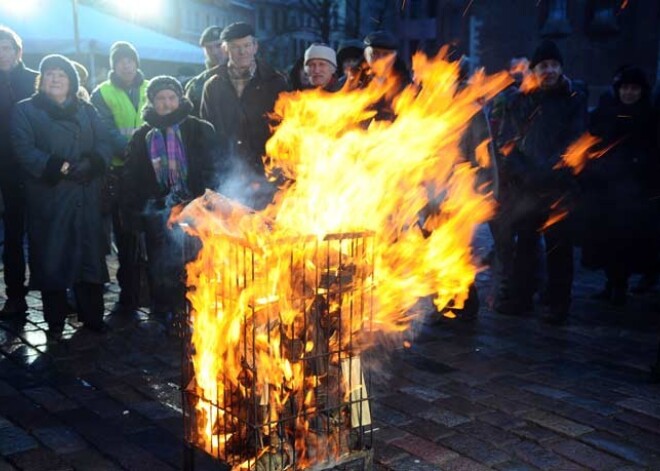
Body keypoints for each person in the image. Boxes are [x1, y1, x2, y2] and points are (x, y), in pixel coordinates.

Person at [11, 55, 111, 339]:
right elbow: (22, 147)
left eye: (61, 75)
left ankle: (92, 317)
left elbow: (104, 141)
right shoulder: (25, 110)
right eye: (49, 74)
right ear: (41, 80)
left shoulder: (87, 110)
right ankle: (55, 320)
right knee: (52, 256)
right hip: (49, 195)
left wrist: (92, 162)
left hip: (86, 193)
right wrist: (59, 167)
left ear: (71, 82)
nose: (55, 79)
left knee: (89, 256)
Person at [495, 40, 587, 324]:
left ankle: (558, 304)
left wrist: (552, 171)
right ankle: (522, 298)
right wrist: (524, 171)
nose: (549, 70)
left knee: (559, 247)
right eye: (544, 66)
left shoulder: (573, 98)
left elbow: (576, 139)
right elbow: (507, 142)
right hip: (527, 186)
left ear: (561, 68)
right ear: (534, 69)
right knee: (525, 245)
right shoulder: (520, 100)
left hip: (559, 187)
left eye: (554, 65)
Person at [123, 76, 219, 319]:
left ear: (180, 99)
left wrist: (206, 199)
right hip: (159, 211)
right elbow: (132, 176)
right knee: (162, 264)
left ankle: (197, 310)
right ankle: (165, 312)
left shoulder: (199, 128)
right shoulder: (142, 136)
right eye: (160, 99)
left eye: (171, 98)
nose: (166, 103)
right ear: (152, 102)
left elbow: (213, 167)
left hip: (196, 208)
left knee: (197, 261)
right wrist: (135, 211)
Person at [579, 66, 658, 304]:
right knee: (608, 240)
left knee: (630, 241)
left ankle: (622, 287)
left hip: (636, 191)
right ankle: (611, 283)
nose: (629, 93)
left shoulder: (650, 117)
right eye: (625, 88)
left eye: (634, 89)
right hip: (608, 188)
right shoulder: (608, 114)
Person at [200, 21, 288, 210]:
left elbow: (286, 129)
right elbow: (207, 133)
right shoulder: (213, 86)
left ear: (255, 46)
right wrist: (214, 172)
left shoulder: (275, 82)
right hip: (228, 174)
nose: (242, 52)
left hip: (267, 173)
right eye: (235, 47)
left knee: (266, 229)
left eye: (247, 45)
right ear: (225, 49)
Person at [91, 41, 149, 316]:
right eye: (121, 60)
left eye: (130, 60)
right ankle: (128, 292)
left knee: (149, 234)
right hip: (119, 172)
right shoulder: (102, 93)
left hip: (150, 172)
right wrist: (134, 150)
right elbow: (104, 130)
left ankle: (148, 289)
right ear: (113, 65)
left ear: (137, 63)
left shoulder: (151, 87)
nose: (126, 65)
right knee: (125, 234)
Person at [0, 26, 37, 317]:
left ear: (17, 51)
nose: (2, 54)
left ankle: (55, 291)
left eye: (6, 48)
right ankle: (15, 294)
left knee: (46, 231)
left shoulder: (36, 79)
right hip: (5, 171)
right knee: (12, 234)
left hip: (36, 167)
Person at [184, 26, 227, 115]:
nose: (214, 52)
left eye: (219, 46)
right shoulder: (196, 84)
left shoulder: (245, 77)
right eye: (209, 48)